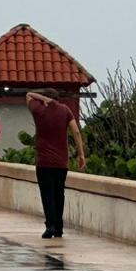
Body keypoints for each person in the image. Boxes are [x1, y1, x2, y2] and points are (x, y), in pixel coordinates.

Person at [25, 88, 86, 239]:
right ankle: (58, 227)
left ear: (44, 99)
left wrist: (42, 99)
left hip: (44, 162)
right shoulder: (65, 110)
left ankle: (50, 225)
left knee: (47, 194)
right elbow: (76, 132)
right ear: (58, 99)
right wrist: (81, 154)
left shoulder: (38, 109)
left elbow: (28, 94)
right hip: (61, 162)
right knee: (59, 194)